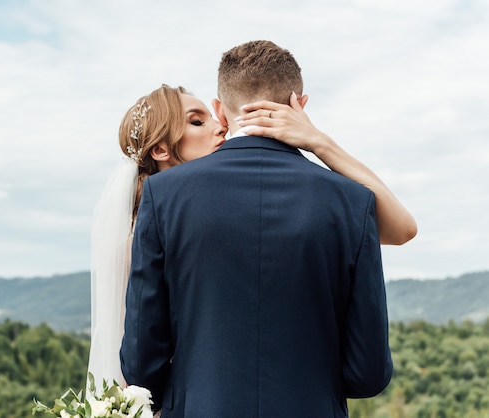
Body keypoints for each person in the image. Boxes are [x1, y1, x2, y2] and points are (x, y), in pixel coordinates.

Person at [120, 41, 395, 417]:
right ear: (300, 105)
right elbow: (369, 374)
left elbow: (140, 365)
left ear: (220, 109)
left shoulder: (163, 195)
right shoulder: (354, 201)